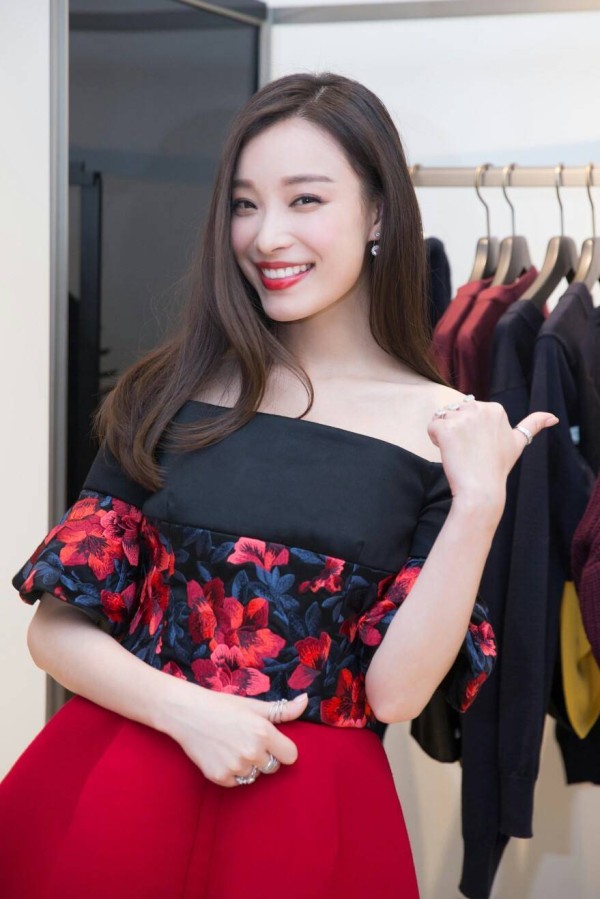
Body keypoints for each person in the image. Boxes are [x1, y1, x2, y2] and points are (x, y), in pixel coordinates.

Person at [1, 72, 558, 899]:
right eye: (244, 204)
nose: (266, 236)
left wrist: (479, 503)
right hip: (120, 784)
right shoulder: (170, 392)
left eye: (305, 200)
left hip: (307, 817)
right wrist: (189, 713)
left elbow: (396, 693)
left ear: (377, 213)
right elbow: (55, 629)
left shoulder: (448, 427)